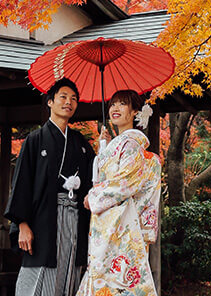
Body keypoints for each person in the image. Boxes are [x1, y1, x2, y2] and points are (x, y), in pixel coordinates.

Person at [6, 77, 95, 296]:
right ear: (50, 102)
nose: (69, 102)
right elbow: (22, 183)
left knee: (70, 271)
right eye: (63, 97)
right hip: (43, 220)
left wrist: (103, 149)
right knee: (39, 273)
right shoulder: (35, 140)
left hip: (74, 218)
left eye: (74, 98)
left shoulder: (81, 143)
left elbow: (97, 174)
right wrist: (22, 224)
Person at [77, 90, 161, 296]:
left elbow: (125, 182)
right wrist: (104, 148)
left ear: (134, 112)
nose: (115, 108)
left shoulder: (131, 143)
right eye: (113, 104)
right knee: (106, 277)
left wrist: (93, 196)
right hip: (108, 222)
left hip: (121, 223)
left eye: (122, 104)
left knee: (113, 279)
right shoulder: (118, 143)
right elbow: (106, 177)